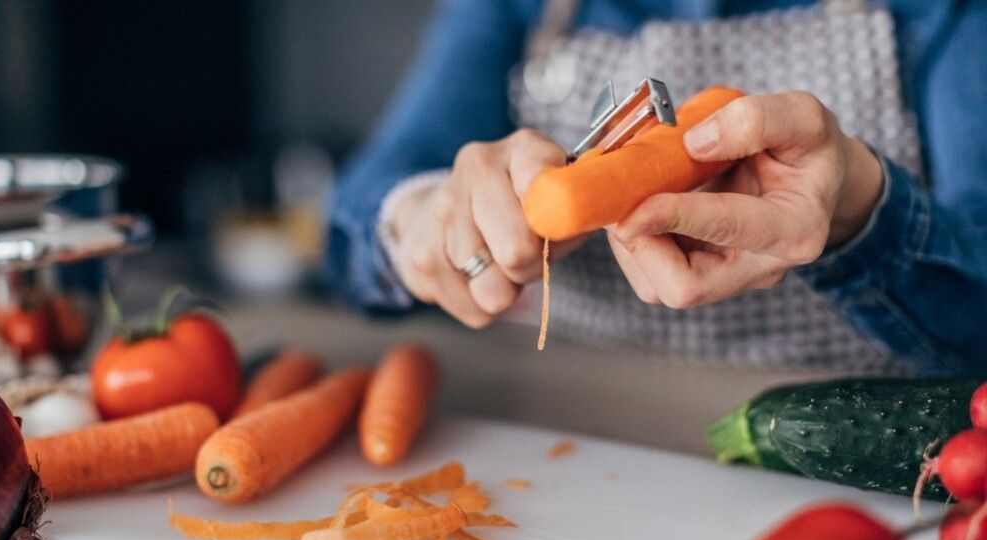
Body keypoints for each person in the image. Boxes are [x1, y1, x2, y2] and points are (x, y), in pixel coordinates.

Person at [326, 0, 987, 376]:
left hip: (844, 467)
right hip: (581, 437)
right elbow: (354, 223)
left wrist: (861, 215)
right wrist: (416, 218)